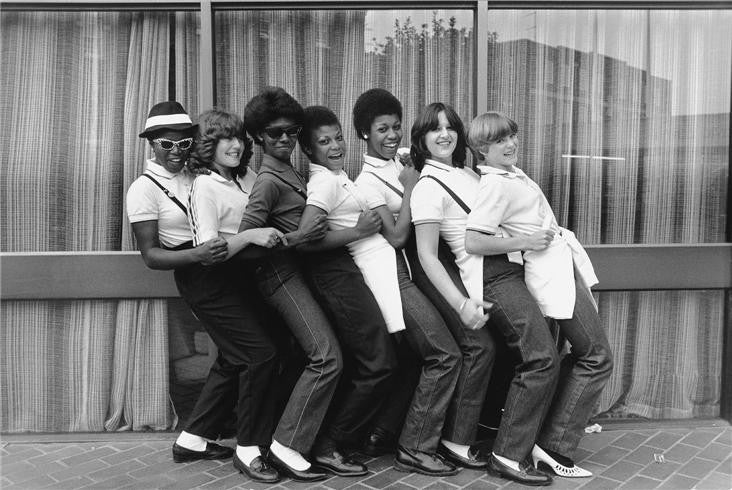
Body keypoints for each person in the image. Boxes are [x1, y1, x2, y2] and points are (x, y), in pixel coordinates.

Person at [298, 104, 461, 476]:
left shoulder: (391, 165)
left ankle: (380, 433)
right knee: (438, 355)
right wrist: (409, 188)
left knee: (407, 360)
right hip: (388, 278)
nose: (392, 136)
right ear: (364, 135)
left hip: (403, 273)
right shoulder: (362, 181)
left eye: (397, 128)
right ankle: (411, 446)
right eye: (382, 129)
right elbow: (397, 235)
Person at [465, 111, 613, 481]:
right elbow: (473, 239)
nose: (510, 144)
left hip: (560, 268)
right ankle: (550, 444)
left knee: (585, 354)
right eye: (499, 141)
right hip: (549, 274)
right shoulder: (495, 184)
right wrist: (525, 241)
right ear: (481, 148)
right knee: (594, 356)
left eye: (512, 136)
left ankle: (550, 438)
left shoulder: (512, 174)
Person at [238, 86, 358, 481]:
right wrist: (293, 239)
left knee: (321, 356)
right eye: (275, 134)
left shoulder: (288, 170)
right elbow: (246, 242)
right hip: (278, 278)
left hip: (297, 275)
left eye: (292, 131)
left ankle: (289, 441)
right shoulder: (269, 181)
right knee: (326, 357)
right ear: (257, 136)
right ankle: (287, 446)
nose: (285, 139)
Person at [125, 102, 246, 469]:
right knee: (249, 352)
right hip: (198, 275)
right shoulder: (143, 189)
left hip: (224, 268)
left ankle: (193, 438)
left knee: (232, 355)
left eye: (183, 144)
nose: (176, 152)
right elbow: (151, 255)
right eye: (167, 144)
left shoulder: (196, 175)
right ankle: (229, 435)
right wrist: (199, 256)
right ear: (151, 144)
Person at [179, 108, 293, 483]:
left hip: (243, 280)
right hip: (211, 282)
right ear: (207, 145)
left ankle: (192, 439)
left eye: (238, 138)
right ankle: (248, 449)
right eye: (223, 139)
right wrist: (250, 236)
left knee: (234, 358)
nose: (234, 145)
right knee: (259, 356)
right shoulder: (205, 186)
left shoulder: (245, 176)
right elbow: (210, 249)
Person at [404, 101, 497, 470]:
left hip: (476, 272)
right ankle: (432, 443)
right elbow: (426, 255)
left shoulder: (468, 174)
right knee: (477, 347)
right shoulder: (428, 184)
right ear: (422, 139)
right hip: (441, 276)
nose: (444, 134)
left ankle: (458, 436)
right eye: (434, 129)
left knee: (487, 348)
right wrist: (460, 303)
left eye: (449, 127)